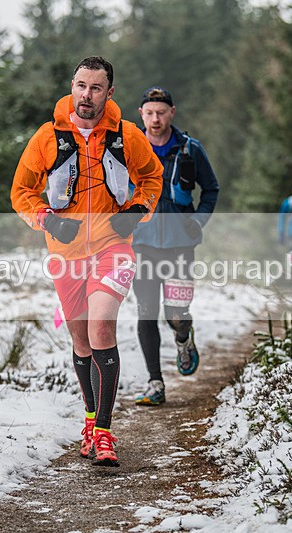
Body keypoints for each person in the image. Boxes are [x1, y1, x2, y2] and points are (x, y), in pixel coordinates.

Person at [10, 57, 162, 467]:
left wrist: (135, 211)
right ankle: (91, 418)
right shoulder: (47, 137)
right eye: (81, 85)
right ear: (72, 86)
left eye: (96, 88)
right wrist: (46, 220)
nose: (86, 95)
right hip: (66, 254)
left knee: (101, 328)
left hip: (113, 246)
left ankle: (105, 433)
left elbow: (152, 178)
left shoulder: (126, 135)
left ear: (109, 93)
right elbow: (21, 192)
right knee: (81, 342)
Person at [130, 86, 219, 406]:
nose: (155, 119)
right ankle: (155, 383)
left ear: (172, 113)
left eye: (161, 112)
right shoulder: (129, 148)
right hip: (141, 243)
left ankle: (184, 336)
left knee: (177, 313)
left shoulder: (190, 149)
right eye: (149, 113)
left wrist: (197, 221)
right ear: (141, 114)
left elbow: (211, 189)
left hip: (181, 244)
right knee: (146, 313)